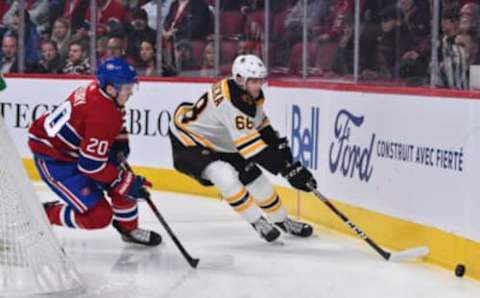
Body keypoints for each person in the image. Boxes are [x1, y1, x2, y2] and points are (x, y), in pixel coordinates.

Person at [169, 54, 317, 243]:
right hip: (189, 142)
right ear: (239, 79)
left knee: (255, 179)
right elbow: (253, 150)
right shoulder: (230, 103)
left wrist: (288, 161)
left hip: (221, 142)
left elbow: (262, 128)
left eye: (260, 80)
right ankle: (257, 222)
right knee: (225, 175)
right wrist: (287, 170)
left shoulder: (247, 95)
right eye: (254, 80)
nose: (259, 85)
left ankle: (282, 221)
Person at [28, 58, 162, 246]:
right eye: (126, 87)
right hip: (55, 158)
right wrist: (124, 181)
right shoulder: (101, 114)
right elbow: (90, 166)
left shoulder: (101, 93)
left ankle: (128, 229)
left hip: (77, 150)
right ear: (110, 88)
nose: (131, 92)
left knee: (123, 183)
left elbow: (115, 119)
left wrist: (120, 144)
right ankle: (46, 213)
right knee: (99, 216)